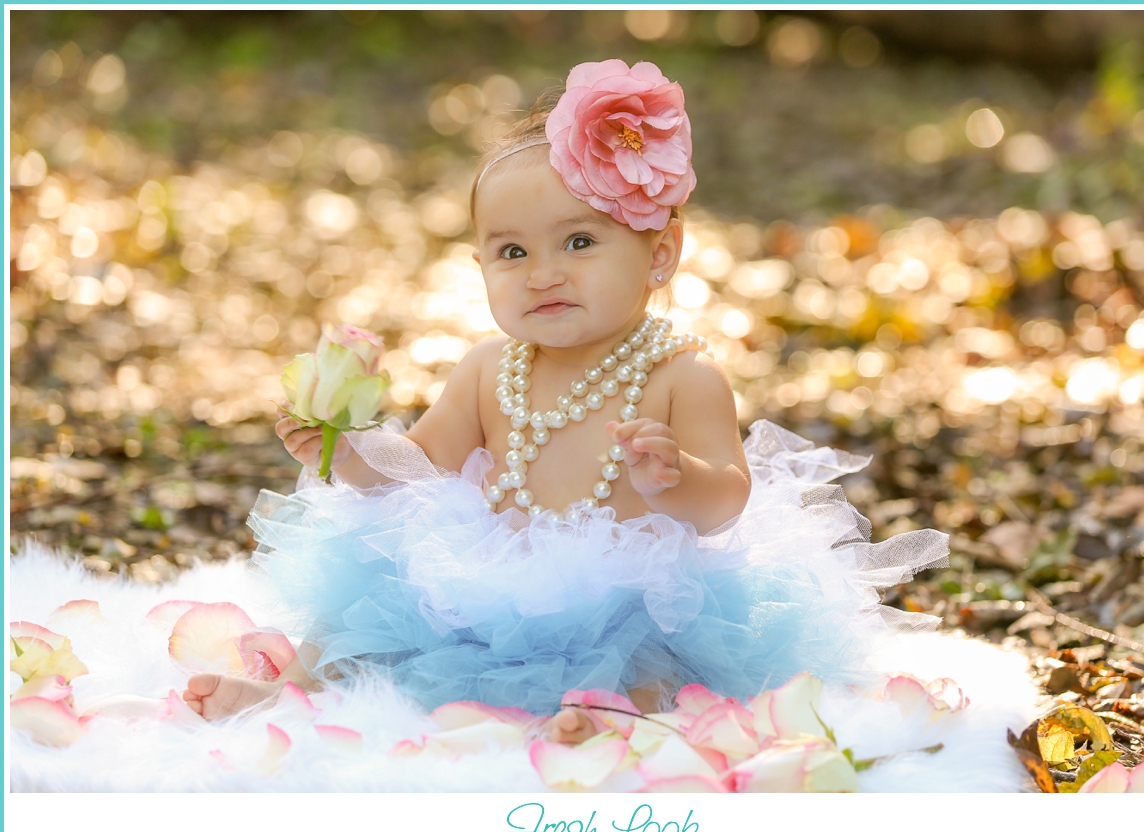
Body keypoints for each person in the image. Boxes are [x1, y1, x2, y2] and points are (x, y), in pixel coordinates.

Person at [182, 60, 947, 745]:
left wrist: (677, 475)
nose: (543, 272)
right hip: (490, 583)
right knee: (370, 602)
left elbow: (727, 499)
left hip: (631, 596)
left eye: (578, 242)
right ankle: (288, 691)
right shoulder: (488, 369)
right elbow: (416, 469)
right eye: (512, 252)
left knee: (657, 661)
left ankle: (614, 719)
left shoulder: (683, 376)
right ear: (479, 264)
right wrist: (347, 451)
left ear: (659, 254)